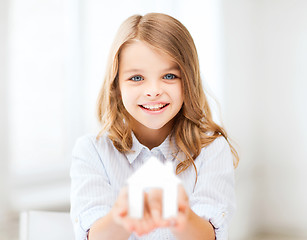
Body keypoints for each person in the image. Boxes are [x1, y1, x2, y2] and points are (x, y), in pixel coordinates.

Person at [70, 12, 239, 240]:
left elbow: (208, 235)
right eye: (137, 78)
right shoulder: (92, 150)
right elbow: (94, 235)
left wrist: (180, 214)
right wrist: (125, 213)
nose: (153, 90)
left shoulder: (211, 149)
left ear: (188, 81)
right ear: (116, 85)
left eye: (169, 76)